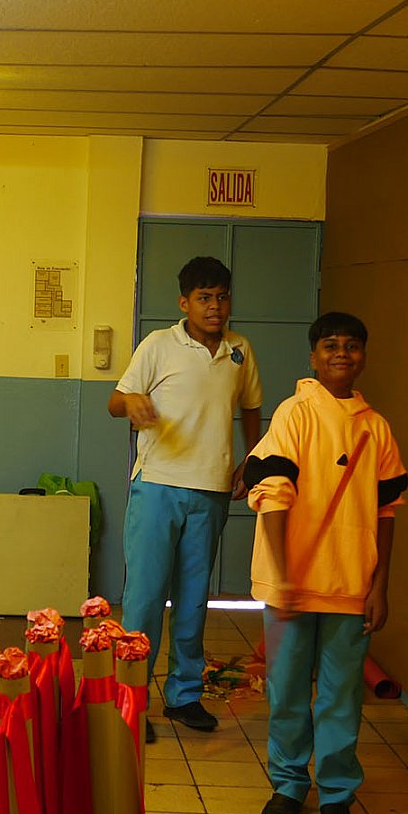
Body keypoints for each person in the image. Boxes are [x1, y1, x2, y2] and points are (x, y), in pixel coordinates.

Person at [243, 312, 407, 814]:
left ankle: (336, 792)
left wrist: (380, 585)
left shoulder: (376, 427)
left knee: (341, 696)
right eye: (331, 345)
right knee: (288, 692)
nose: (341, 353)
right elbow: (271, 492)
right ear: (313, 356)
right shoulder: (294, 413)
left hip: (351, 586)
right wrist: (283, 574)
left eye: (352, 346)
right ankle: (289, 784)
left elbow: (387, 510)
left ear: (364, 357)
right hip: (291, 587)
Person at [109, 255, 263, 742]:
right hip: (157, 485)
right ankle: (129, 701)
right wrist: (132, 401)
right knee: (144, 600)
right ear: (184, 303)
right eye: (204, 298)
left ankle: (184, 696)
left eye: (222, 297)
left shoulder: (240, 350)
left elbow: (252, 408)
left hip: (211, 491)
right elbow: (115, 401)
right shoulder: (158, 344)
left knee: (194, 601)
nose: (214, 307)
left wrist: (250, 460)